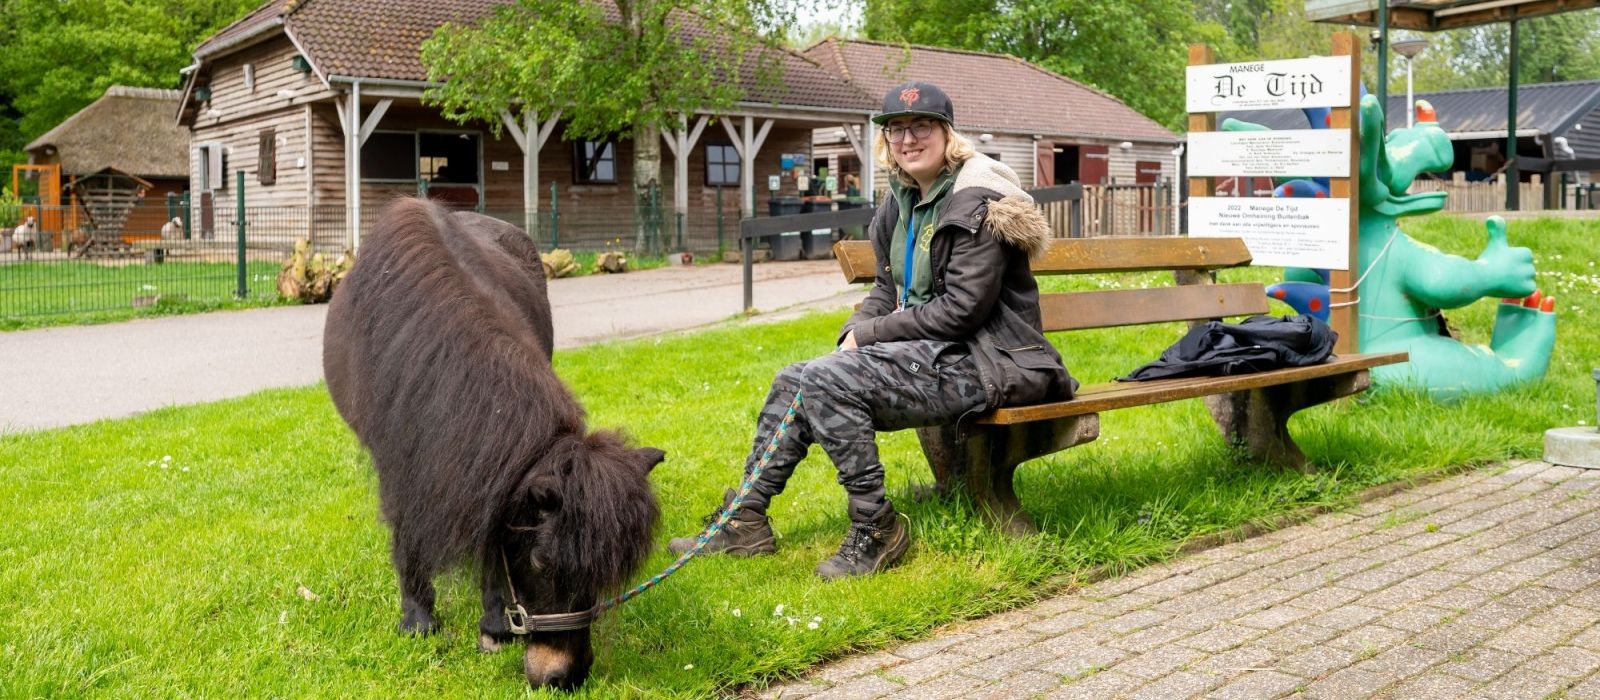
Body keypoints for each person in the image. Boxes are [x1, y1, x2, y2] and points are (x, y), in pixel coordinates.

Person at [668, 81, 1075, 579]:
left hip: (995, 360)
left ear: (947, 134)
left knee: (824, 380)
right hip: (935, 354)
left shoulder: (980, 202)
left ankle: (877, 527)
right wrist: (854, 330)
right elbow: (885, 288)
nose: (908, 140)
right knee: (795, 377)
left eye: (921, 127)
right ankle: (746, 520)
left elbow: (962, 311)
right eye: (897, 130)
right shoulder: (899, 203)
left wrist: (872, 334)